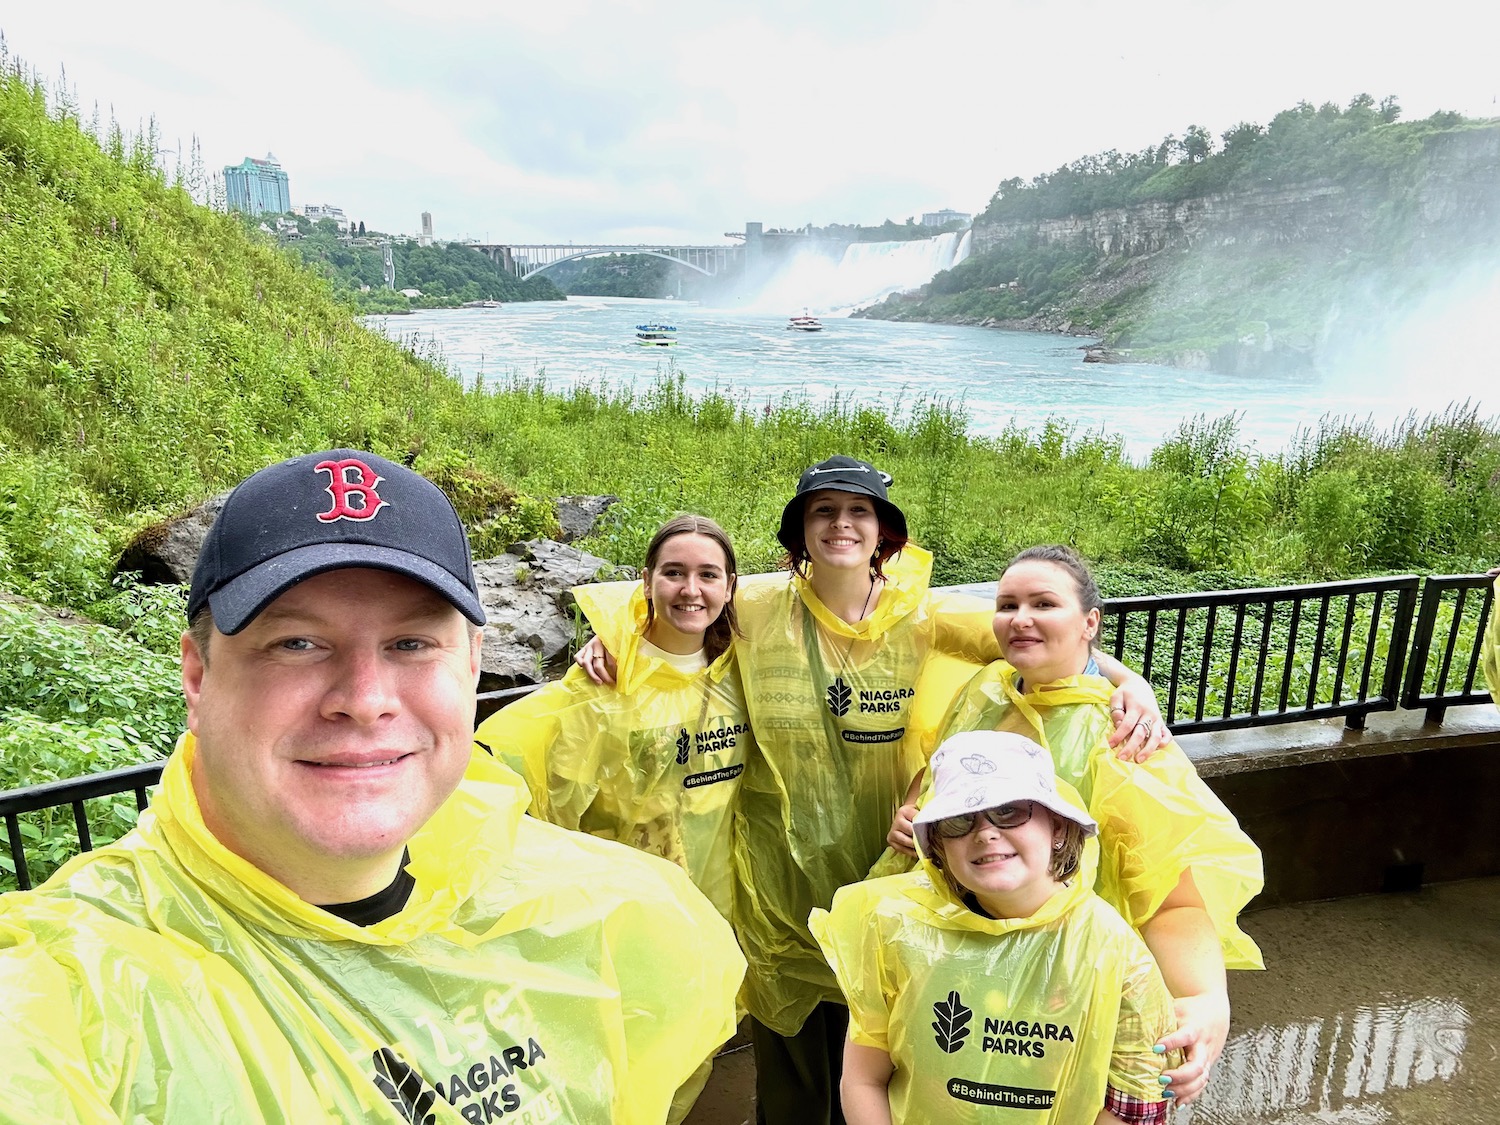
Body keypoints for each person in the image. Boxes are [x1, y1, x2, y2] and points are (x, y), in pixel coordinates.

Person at [0, 450, 744, 1124]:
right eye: (297, 642)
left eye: (412, 643)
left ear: (472, 667)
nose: (365, 697)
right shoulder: (68, 988)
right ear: (198, 677)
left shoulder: (589, 913)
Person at [578, 456, 1168, 1125]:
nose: (841, 524)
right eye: (823, 510)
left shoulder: (917, 615)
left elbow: (1034, 641)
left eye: (858, 510)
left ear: (884, 531)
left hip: (893, 863)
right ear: (799, 531)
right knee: (793, 1070)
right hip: (781, 884)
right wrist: (607, 641)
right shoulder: (759, 604)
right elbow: (677, 602)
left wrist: (1126, 682)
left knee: (888, 1057)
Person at [888, 544, 1263, 1105]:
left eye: (1044, 603)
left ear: (1090, 622)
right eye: (1007, 603)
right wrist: (914, 811)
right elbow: (940, 763)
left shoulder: (1119, 738)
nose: (1021, 619)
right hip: (965, 966)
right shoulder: (987, 686)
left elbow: (1167, 891)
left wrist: (1206, 997)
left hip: (1067, 986)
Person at [812, 730, 1178, 1125]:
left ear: (1057, 828)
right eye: (959, 820)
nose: (985, 832)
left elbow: (1135, 1105)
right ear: (936, 847)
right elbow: (864, 1079)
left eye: (1009, 810)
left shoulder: (1115, 952)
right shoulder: (896, 930)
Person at [474, 514, 751, 919]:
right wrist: (611, 630)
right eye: (674, 572)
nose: (691, 589)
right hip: (630, 897)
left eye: (708, 575)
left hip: (722, 889)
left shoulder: (741, 668)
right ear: (645, 581)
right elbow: (559, 802)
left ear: (729, 588)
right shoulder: (604, 679)